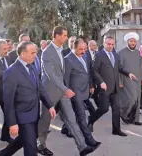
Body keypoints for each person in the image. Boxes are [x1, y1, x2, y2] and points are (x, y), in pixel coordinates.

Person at [37, 26, 97, 156]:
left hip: (63, 91)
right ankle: (40, 145)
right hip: (50, 92)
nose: (66, 38)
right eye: (64, 35)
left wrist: (65, 89)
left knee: (71, 119)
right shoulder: (47, 52)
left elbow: (64, 72)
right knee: (45, 121)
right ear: (57, 36)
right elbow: (50, 75)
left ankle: (82, 147)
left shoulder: (62, 51)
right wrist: (66, 89)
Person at [0, 41, 56, 156]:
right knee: (31, 147)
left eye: (36, 52)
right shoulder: (11, 72)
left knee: (24, 138)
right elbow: (8, 100)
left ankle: (4, 153)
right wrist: (12, 123)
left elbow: (40, 88)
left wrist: (50, 105)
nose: (36, 55)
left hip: (34, 113)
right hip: (23, 116)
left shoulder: (32, 66)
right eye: (32, 53)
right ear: (23, 54)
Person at [88, 36, 136, 136]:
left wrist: (128, 74)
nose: (110, 46)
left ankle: (116, 129)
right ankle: (91, 120)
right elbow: (94, 71)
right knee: (104, 108)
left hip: (115, 87)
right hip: (104, 87)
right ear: (104, 44)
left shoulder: (116, 54)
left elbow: (119, 68)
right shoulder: (99, 55)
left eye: (112, 44)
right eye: (108, 44)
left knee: (116, 109)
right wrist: (101, 82)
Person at [64, 40, 101, 148]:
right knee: (82, 116)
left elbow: (88, 72)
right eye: (80, 49)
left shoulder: (85, 56)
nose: (83, 51)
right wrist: (68, 91)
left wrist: (91, 85)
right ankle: (89, 140)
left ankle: (65, 128)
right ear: (73, 47)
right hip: (75, 92)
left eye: (85, 49)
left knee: (76, 115)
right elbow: (66, 78)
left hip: (85, 90)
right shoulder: (67, 60)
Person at [119, 32, 142, 125]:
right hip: (127, 79)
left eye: (134, 41)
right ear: (127, 41)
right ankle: (123, 114)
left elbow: (141, 67)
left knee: (137, 99)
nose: (133, 43)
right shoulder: (121, 52)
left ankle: (135, 120)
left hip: (137, 79)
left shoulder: (137, 53)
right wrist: (120, 81)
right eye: (131, 41)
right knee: (132, 98)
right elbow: (119, 67)